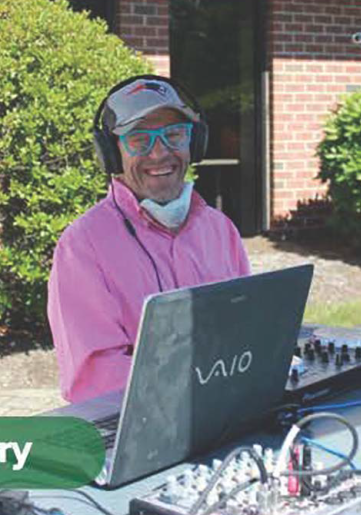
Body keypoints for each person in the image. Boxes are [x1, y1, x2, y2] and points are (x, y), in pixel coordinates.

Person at [48, 75, 250, 403]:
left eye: (174, 134)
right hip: (145, 424)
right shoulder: (82, 246)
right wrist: (196, 384)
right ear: (111, 154)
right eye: (139, 139)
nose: (160, 153)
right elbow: (95, 377)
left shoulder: (220, 230)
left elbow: (245, 330)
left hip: (230, 408)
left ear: (193, 144)